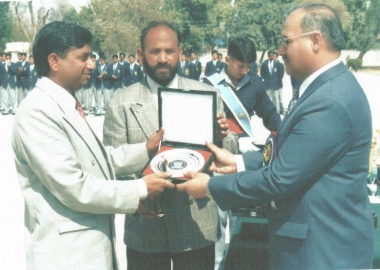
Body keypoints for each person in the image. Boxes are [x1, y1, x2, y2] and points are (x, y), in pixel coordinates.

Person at [177, 4, 375, 269]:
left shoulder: (330, 100)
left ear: (315, 40)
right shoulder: (324, 88)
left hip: (323, 252)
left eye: (286, 42)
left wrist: (211, 187)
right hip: (312, 246)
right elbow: (297, 156)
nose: (281, 51)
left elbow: (281, 177)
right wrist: (239, 162)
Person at [11, 21, 174, 270]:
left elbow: (95, 160)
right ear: (54, 61)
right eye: (83, 57)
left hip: (88, 251)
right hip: (67, 257)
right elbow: (74, 187)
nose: (92, 64)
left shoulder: (64, 104)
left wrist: (145, 150)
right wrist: (140, 188)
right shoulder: (36, 112)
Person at [103, 21, 237, 270]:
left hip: (197, 225)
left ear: (180, 53)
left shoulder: (206, 94)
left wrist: (222, 137)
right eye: (155, 51)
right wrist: (135, 199)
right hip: (146, 231)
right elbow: (111, 164)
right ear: (141, 55)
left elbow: (231, 152)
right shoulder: (121, 103)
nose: (163, 58)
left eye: (169, 51)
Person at [204, 37, 280, 270]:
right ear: (227, 59)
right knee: (216, 222)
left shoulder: (255, 83)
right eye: (240, 66)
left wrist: (281, 135)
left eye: (249, 67)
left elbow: (270, 115)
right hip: (216, 158)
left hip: (242, 161)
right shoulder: (209, 84)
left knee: (240, 219)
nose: (245, 71)